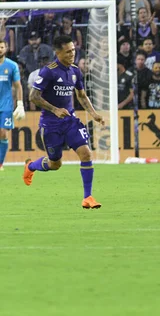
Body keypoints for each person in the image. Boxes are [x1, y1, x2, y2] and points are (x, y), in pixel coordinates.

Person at [23, 35, 104, 209]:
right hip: (51, 124)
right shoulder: (48, 71)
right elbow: (33, 96)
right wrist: (55, 109)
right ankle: (31, 166)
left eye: (73, 50)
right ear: (57, 53)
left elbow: (81, 95)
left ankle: (88, 197)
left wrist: (94, 113)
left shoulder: (75, 71)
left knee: (86, 153)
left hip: (70, 121)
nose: (72, 54)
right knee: (55, 163)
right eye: (68, 52)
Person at [0, 41, 24, 171]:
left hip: (6, 106)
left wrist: (20, 104)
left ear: (6, 49)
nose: (0, 49)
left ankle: (0, 163)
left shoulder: (12, 65)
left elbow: (18, 86)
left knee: (3, 133)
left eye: (2, 47)